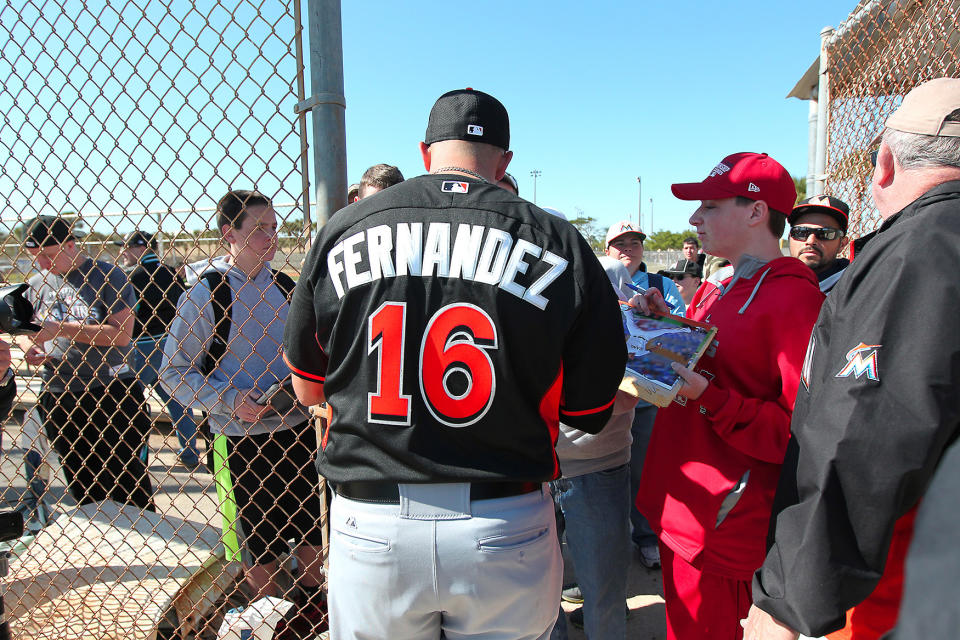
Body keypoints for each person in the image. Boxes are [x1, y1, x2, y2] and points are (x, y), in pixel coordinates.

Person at [282, 87, 626, 640]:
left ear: (424, 152)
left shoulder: (345, 228)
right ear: (505, 161)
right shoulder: (556, 238)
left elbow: (308, 389)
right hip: (503, 519)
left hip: (372, 517)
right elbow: (589, 409)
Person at [743, 77, 960, 640]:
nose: (811, 240)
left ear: (885, 162)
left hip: (901, 584)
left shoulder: (924, 243)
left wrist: (789, 600)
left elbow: (862, 437)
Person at [633, 152, 824, 640]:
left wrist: (713, 399)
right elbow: (714, 361)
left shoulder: (794, 299)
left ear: (757, 212)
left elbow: (800, 432)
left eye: (710, 206)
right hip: (681, 508)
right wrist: (665, 326)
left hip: (723, 528)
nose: (695, 218)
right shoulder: (721, 286)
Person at [160, 190, 325, 623]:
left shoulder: (287, 288)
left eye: (273, 228)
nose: (270, 239)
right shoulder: (208, 294)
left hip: (295, 429)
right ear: (227, 233)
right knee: (260, 538)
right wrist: (230, 400)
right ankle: (271, 615)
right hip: (241, 438)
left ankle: (313, 604)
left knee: (309, 524)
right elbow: (173, 372)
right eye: (257, 231)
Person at [19, 216, 155, 511]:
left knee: (128, 486)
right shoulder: (36, 284)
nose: (42, 263)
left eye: (48, 254)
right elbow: (27, 331)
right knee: (83, 485)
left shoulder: (109, 276)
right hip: (60, 392)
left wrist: (62, 329)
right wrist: (32, 346)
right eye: (35, 256)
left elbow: (120, 335)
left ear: (70, 245)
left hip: (110, 391)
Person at [550, 255, 636, 639]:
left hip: (597, 469)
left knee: (603, 592)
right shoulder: (545, 318)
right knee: (541, 591)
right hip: (539, 469)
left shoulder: (628, 332)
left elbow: (633, 396)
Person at [605, 220, 684, 570]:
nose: (627, 248)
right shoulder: (599, 278)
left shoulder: (661, 284)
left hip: (647, 389)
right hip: (607, 391)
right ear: (607, 250)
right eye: (619, 243)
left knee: (643, 469)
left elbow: (680, 330)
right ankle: (608, 542)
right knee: (604, 472)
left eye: (634, 242)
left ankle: (647, 536)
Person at [114, 231, 199, 468]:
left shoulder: (132, 276)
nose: (123, 252)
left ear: (141, 248)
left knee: (130, 402)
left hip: (141, 346)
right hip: (170, 343)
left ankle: (133, 455)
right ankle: (190, 451)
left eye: (127, 247)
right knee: (177, 400)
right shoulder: (169, 272)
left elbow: (129, 312)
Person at [787, 195, 850, 294]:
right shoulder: (769, 281)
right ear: (789, 238)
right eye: (801, 232)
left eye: (825, 233)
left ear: (842, 244)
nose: (811, 241)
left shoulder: (855, 288)